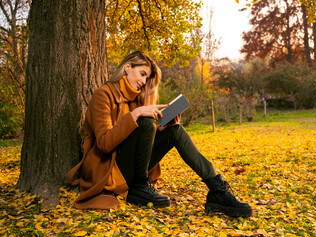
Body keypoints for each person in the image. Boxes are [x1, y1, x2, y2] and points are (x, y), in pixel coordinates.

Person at [66, 51, 252, 217]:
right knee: (146, 121)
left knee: (175, 131)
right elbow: (105, 143)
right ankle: (139, 188)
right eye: (143, 74)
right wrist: (137, 114)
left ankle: (217, 189)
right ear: (127, 67)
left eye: (147, 79)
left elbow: (138, 140)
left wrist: (162, 129)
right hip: (109, 171)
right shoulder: (103, 94)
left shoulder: (134, 101)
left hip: (132, 169)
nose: (144, 81)